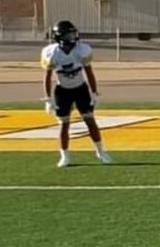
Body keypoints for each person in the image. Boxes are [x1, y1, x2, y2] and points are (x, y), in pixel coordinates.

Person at [40, 19, 111, 168]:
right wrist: (48, 98)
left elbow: (89, 72)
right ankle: (64, 156)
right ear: (59, 37)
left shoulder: (81, 50)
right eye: (68, 35)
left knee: (90, 121)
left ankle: (100, 151)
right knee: (64, 125)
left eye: (72, 34)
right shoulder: (52, 53)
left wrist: (94, 92)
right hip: (62, 91)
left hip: (80, 89)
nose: (72, 38)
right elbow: (47, 76)